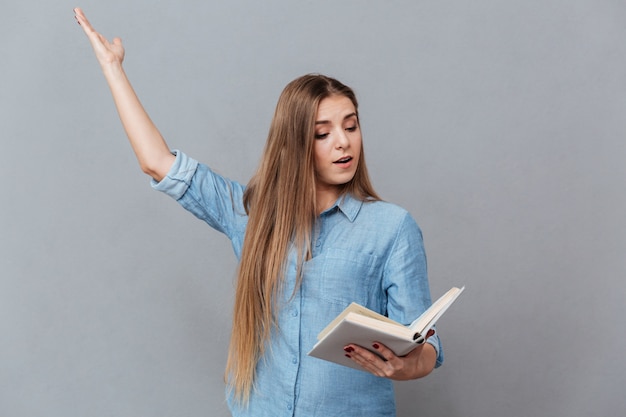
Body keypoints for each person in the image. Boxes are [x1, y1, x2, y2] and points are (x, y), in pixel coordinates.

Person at [74, 8, 443, 416]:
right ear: (295, 142)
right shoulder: (251, 216)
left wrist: (408, 365)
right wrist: (112, 68)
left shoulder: (392, 228)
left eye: (351, 126)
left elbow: (425, 345)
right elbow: (157, 162)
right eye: (323, 132)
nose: (343, 142)